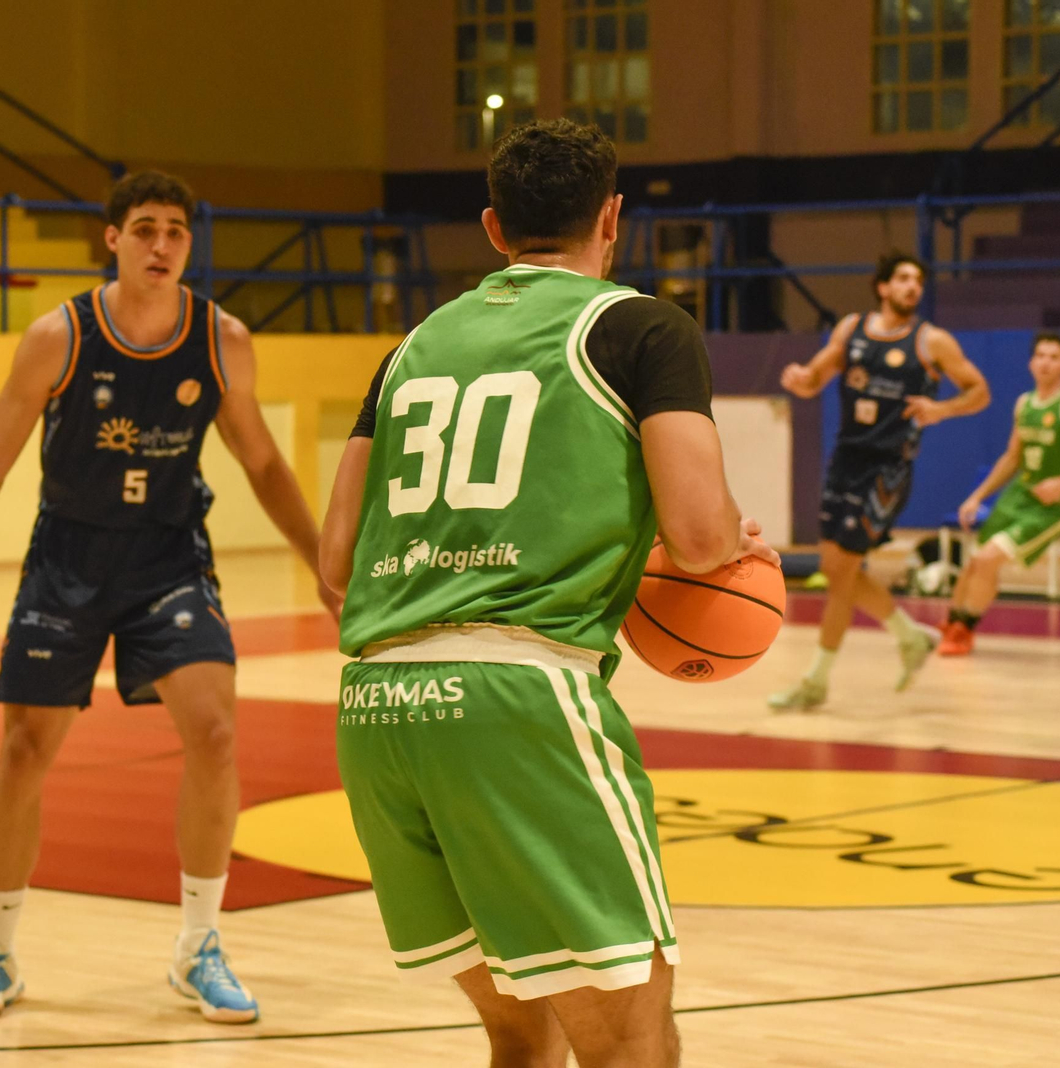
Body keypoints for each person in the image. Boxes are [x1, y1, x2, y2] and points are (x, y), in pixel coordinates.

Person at [320, 119, 774, 1068]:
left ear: (494, 229)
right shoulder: (641, 326)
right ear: (613, 218)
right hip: (520, 699)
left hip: (379, 706)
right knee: (629, 1039)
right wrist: (734, 534)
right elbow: (696, 536)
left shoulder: (412, 346)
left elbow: (335, 562)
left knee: (520, 1035)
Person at [0, 170, 337, 1023]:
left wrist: (323, 565)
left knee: (218, 729)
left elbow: (263, 463)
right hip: (69, 559)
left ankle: (199, 946)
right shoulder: (59, 336)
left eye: (177, 233)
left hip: (167, 559)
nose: (162, 245)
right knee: (22, 754)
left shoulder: (221, 337)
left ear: (190, 246)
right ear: (111, 239)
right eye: (146, 229)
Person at [768, 253, 990, 711]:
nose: (913, 287)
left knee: (843, 572)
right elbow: (816, 377)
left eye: (919, 281)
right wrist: (801, 380)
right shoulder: (851, 329)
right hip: (846, 457)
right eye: (904, 279)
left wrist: (942, 410)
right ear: (883, 286)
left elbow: (979, 391)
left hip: (888, 468)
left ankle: (816, 681)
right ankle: (909, 637)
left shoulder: (933, 342)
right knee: (835, 570)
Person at [938, 332, 1060, 654]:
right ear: (1030, 362)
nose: (1045, 363)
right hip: (1019, 494)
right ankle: (951, 623)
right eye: (1040, 355)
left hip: (1053, 504)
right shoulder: (1024, 403)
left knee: (986, 559)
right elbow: (1012, 457)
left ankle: (964, 630)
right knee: (975, 564)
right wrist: (977, 496)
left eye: (1054, 357)